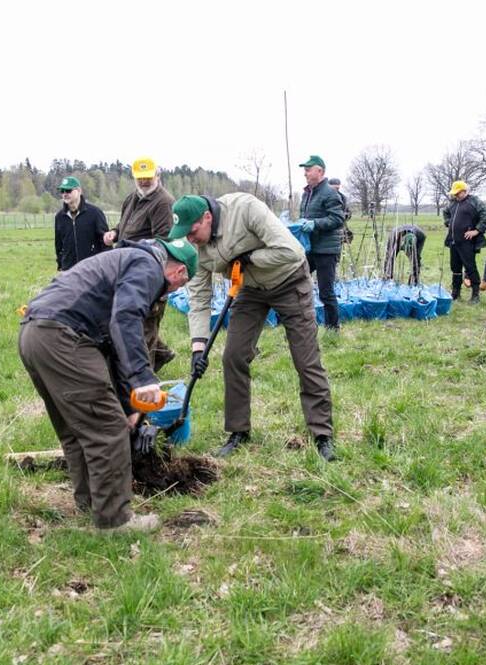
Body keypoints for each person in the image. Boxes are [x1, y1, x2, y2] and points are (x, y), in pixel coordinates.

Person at [18, 237, 198, 533]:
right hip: (65, 337)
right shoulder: (149, 267)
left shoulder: (126, 260)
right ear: (179, 273)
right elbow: (125, 320)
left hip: (34, 334)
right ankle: (114, 521)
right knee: (109, 431)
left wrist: (129, 405)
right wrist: (143, 380)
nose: (172, 292)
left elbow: (115, 343)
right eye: (179, 286)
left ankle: (90, 505)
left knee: (78, 430)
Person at [170, 193, 336, 461]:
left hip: (289, 280)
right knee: (233, 355)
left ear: (207, 218)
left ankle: (322, 434)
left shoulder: (245, 209)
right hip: (248, 289)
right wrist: (197, 348)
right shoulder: (195, 248)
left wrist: (249, 258)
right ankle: (238, 431)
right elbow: (199, 298)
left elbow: (291, 251)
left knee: (305, 358)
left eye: (193, 232)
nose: (190, 240)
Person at [103, 157, 177, 371]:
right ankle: (161, 355)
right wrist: (115, 233)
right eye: (140, 178)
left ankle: (144, 378)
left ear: (158, 176)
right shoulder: (132, 198)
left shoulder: (163, 202)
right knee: (133, 322)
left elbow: (163, 241)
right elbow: (125, 225)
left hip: (148, 273)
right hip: (126, 269)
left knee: (144, 326)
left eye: (148, 177)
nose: (144, 182)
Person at [298, 156, 346, 331]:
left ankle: (333, 327)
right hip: (309, 248)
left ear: (320, 171)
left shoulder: (330, 193)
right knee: (296, 281)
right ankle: (301, 322)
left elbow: (337, 219)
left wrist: (315, 224)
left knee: (326, 291)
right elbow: (306, 217)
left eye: (308, 169)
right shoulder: (306, 193)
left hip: (326, 250)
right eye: (305, 170)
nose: (305, 173)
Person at [443, 181, 486, 302]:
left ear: (465, 191)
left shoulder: (474, 201)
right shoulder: (453, 203)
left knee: (470, 267)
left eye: (458, 193)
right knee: (455, 268)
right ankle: (455, 293)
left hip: (467, 242)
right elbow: (446, 212)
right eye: (455, 193)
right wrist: (449, 222)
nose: (456, 195)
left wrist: (477, 230)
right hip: (454, 241)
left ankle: (475, 295)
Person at [54, 176, 109, 271]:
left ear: (79, 191)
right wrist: (61, 264)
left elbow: (105, 242)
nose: (64, 194)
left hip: (92, 269)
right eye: (62, 191)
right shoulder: (59, 217)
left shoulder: (95, 213)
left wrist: (106, 266)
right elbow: (59, 245)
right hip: (69, 270)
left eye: (68, 191)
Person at [328, 177, 353, 243]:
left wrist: (345, 215)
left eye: (337, 188)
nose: (335, 190)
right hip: (328, 229)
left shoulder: (342, 198)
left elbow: (348, 212)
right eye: (333, 188)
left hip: (340, 228)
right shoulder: (325, 197)